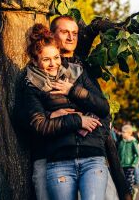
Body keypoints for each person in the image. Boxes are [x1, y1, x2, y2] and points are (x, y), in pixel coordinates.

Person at [21, 24, 110, 200]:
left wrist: (73, 90)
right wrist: (77, 120)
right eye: (46, 60)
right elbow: (40, 125)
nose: (53, 64)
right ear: (34, 60)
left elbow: (103, 107)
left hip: (92, 156)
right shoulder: (31, 85)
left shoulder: (77, 72)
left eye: (56, 57)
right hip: (58, 160)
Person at [51, 15, 130, 200]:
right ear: (52, 34)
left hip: (91, 153)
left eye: (74, 33)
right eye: (65, 32)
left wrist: (96, 137)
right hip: (58, 156)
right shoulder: (45, 67)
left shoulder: (82, 68)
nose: (71, 37)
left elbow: (103, 108)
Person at [117, 125, 139, 199]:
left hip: (130, 165)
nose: (122, 133)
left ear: (129, 133)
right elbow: (118, 153)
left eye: (124, 132)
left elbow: (138, 154)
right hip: (122, 165)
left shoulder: (133, 142)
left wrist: (134, 163)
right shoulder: (121, 142)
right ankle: (129, 193)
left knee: (129, 183)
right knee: (123, 183)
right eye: (122, 132)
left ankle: (130, 195)